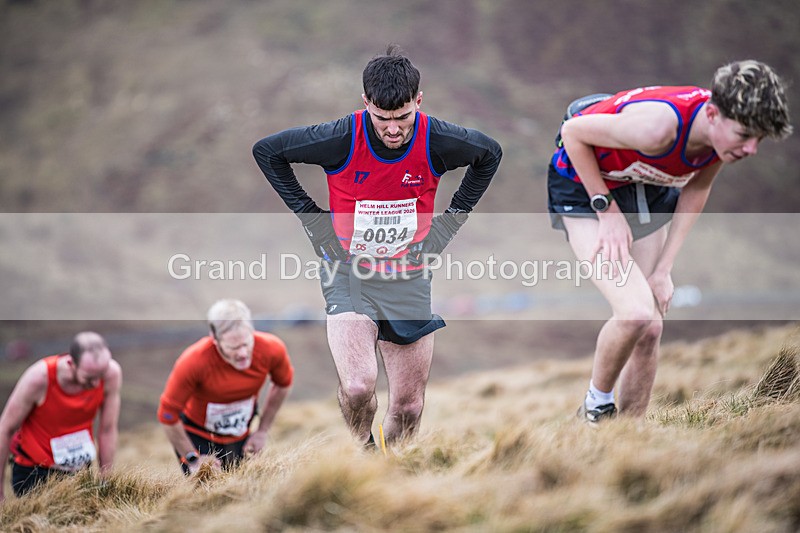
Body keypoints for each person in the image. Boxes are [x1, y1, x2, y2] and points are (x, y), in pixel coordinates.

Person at [252, 45, 502, 446]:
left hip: (409, 275)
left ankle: (395, 474)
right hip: (348, 272)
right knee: (356, 386)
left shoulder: (437, 138)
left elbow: (489, 154)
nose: (392, 129)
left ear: (418, 101)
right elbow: (267, 152)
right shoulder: (340, 137)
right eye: (382, 118)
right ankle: (363, 454)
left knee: (408, 407)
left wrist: (446, 229)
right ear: (365, 101)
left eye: (403, 117)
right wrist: (316, 224)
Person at [547, 60, 792, 423]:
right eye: (744, 135)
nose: (751, 149)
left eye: (759, 139)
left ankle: (629, 435)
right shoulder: (658, 129)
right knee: (634, 313)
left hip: (646, 185)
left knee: (652, 327)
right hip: (586, 187)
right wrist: (607, 212)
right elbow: (573, 132)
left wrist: (664, 269)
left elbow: (698, 187)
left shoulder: (718, 137)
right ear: (711, 114)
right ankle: (594, 410)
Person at [158, 299, 293, 474]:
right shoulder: (193, 361)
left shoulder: (272, 349)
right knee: (205, 493)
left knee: (242, 487)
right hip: (197, 436)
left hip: (240, 431)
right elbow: (167, 415)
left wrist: (262, 431)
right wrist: (192, 457)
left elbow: (282, 385)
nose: (243, 354)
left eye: (246, 343)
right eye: (233, 347)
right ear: (215, 338)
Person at [0, 332, 122, 501]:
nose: (95, 384)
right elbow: (5, 429)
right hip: (34, 473)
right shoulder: (39, 379)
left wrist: (106, 481)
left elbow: (107, 430)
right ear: (71, 363)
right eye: (89, 378)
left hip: (78, 470)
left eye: (100, 376)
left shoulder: (111, 374)